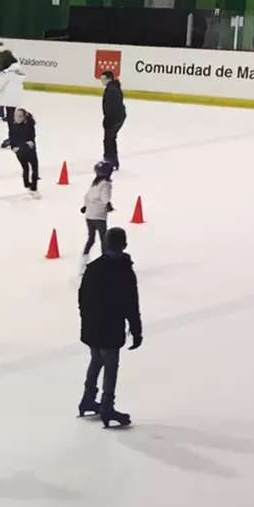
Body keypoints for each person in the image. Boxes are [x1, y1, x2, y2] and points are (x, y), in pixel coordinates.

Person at [77, 226, 141, 429]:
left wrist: (86, 320)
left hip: (92, 326)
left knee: (96, 360)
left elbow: (82, 297)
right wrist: (136, 330)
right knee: (111, 366)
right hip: (110, 327)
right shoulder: (124, 270)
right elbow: (131, 303)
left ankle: (88, 399)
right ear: (124, 244)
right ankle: (107, 407)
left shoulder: (94, 267)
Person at [0, 48, 26, 145]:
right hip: (17, 99)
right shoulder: (19, 71)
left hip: (9, 100)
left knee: (11, 120)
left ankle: (13, 138)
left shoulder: (8, 73)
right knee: (13, 119)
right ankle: (15, 137)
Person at [81, 161, 116, 252]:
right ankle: (105, 256)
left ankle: (85, 253)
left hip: (89, 215)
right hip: (99, 215)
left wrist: (85, 206)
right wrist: (107, 203)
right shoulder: (106, 184)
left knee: (91, 238)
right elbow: (105, 195)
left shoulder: (94, 184)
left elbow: (87, 196)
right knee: (104, 238)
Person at [8, 108, 40, 194]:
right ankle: (26, 184)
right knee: (25, 168)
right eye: (16, 116)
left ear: (24, 117)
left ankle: (33, 187)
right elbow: (12, 138)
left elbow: (32, 136)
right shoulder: (13, 126)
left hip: (30, 150)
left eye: (20, 116)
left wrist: (29, 143)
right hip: (20, 150)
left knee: (34, 167)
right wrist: (13, 147)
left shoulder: (29, 125)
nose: (17, 118)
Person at [101, 69, 126, 166]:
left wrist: (108, 119)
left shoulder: (111, 90)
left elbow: (111, 106)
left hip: (114, 118)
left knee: (108, 139)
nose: (102, 81)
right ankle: (113, 160)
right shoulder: (114, 87)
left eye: (104, 79)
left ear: (109, 79)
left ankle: (109, 160)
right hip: (117, 117)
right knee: (111, 138)